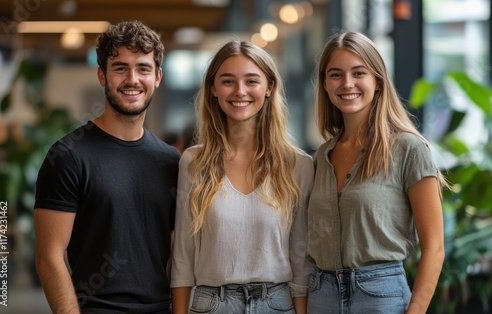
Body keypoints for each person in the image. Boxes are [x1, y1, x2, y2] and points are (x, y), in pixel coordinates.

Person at [34, 20, 180, 313]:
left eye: (143, 68)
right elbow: (49, 257)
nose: (132, 79)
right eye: (120, 68)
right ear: (102, 75)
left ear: (158, 77)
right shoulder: (68, 156)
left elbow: (177, 255)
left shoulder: (172, 162)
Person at [307, 31, 447, 314]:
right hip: (321, 295)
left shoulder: (408, 149)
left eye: (359, 73)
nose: (347, 84)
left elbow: (434, 246)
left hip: (379, 296)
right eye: (336, 75)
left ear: (378, 81)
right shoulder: (322, 155)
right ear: (324, 83)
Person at [170, 40, 314, 314]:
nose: (240, 91)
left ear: (269, 87)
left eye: (251, 81)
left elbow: (301, 260)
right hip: (212, 304)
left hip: (277, 304)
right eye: (228, 81)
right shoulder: (193, 162)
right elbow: (183, 258)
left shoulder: (298, 165)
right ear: (213, 88)